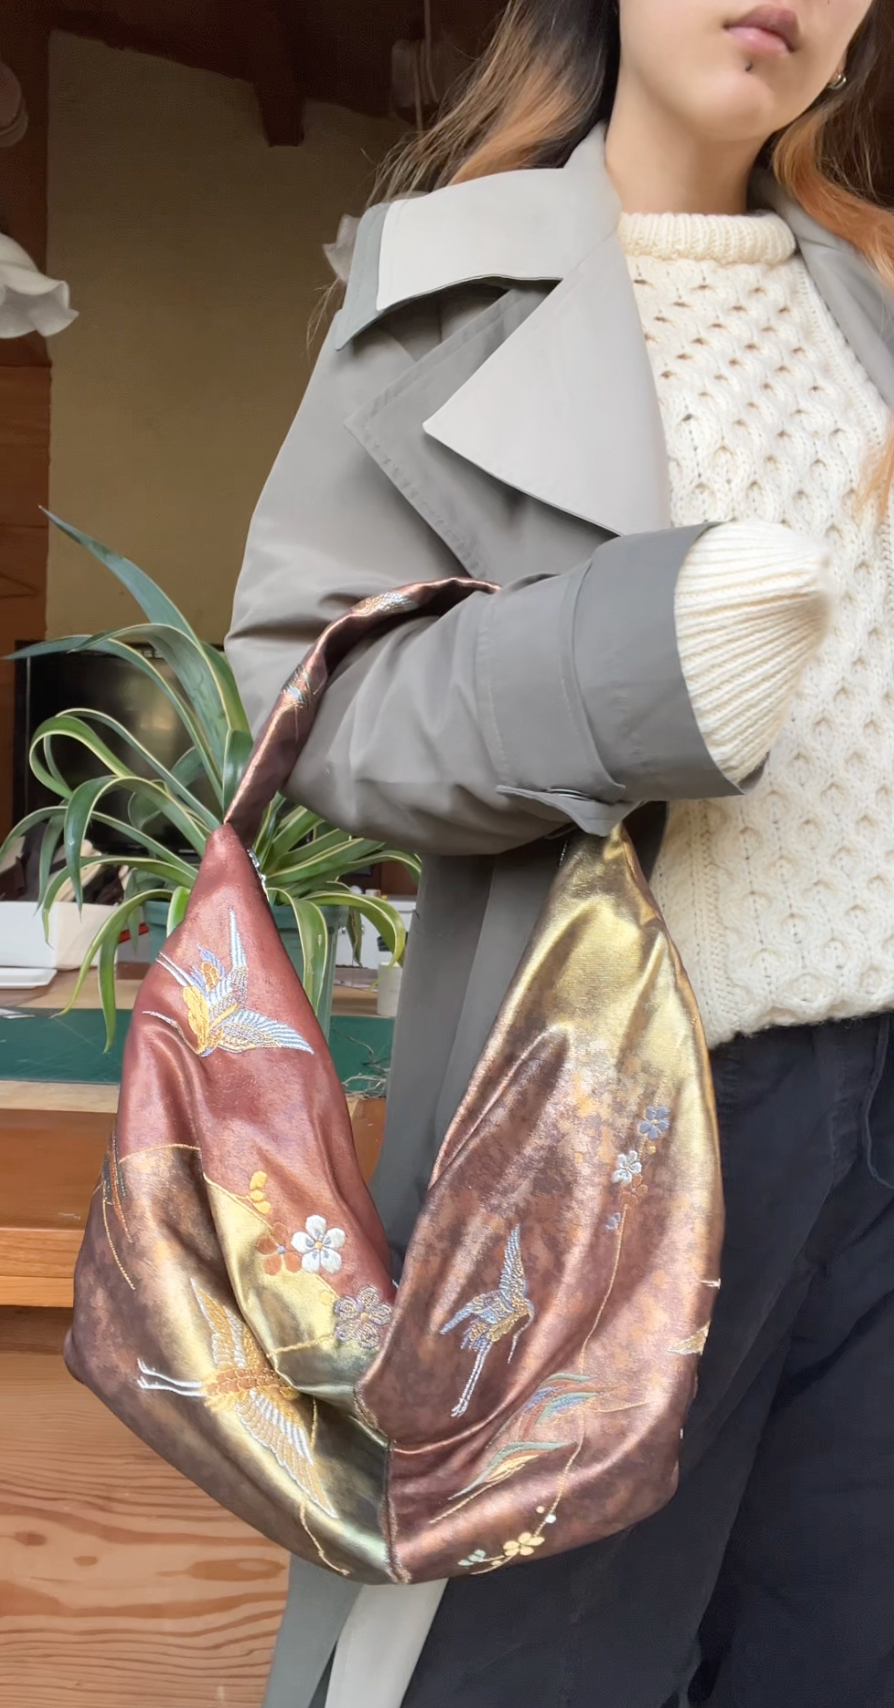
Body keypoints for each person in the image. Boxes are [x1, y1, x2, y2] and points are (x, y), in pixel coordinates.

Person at [226, 2, 894, 1704]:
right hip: (622, 1133)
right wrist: (632, 665)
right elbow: (315, 699)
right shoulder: (447, 287)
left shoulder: (877, 301)